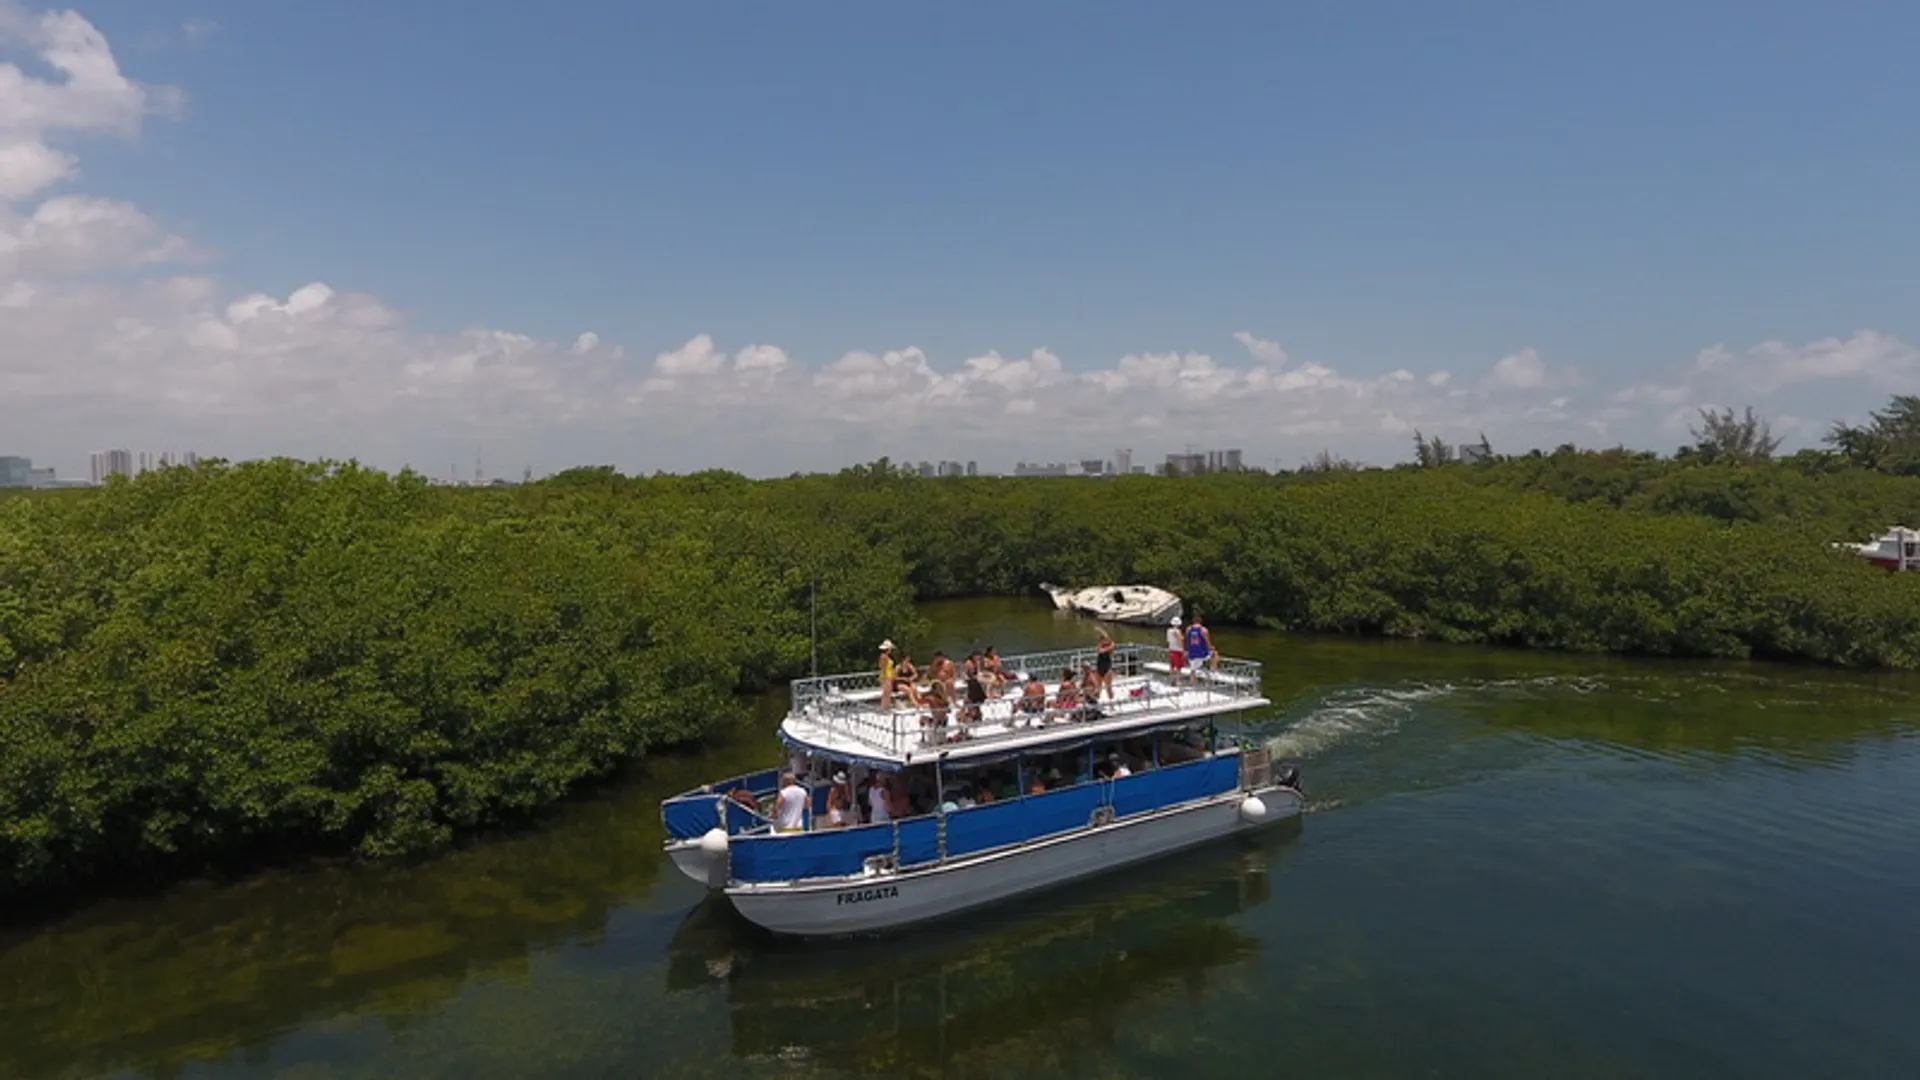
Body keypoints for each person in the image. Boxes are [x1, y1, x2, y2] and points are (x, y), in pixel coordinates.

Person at [1094, 627, 1116, 700]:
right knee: (1098, 688)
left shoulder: (1111, 646)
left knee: (1108, 688)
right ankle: (1096, 703)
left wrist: (1101, 630)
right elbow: (1098, 650)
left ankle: (1112, 704)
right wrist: (1100, 630)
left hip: (1107, 669)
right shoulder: (1101, 645)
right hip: (1099, 668)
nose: (1102, 641)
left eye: (1103, 639)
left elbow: (1101, 651)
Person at [1166, 617, 1187, 686]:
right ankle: (1177, 681)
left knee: (1172, 666)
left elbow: (1169, 640)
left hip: (1171, 649)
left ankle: (1172, 679)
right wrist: (1183, 650)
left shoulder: (1168, 631)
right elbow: (1179, 641)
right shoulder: (1177, 631)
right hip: (1178, 651)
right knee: (1178, 667)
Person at [878, 640, 898, 708]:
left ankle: (887, 706)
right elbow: (882, 667)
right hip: (886, 676)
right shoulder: (884, 656)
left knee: (888, 692)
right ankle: (884, 706)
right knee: (886, 692)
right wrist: (884, 677)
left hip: (889, 675)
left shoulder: (888, 656)